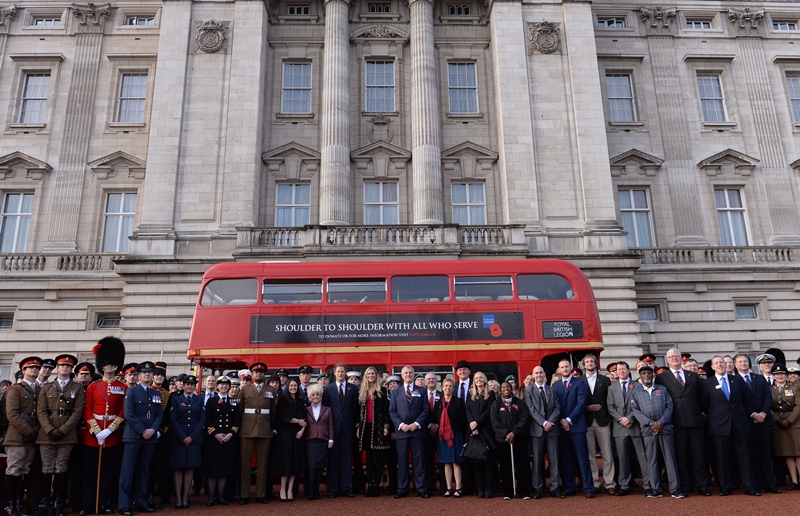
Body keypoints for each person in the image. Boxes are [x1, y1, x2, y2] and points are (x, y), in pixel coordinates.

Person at [79, 338, 126, 516]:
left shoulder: (122, 387)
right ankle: (88, 504)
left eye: (112, 362)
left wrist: (110, 429)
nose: (110, 366)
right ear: (102, 365)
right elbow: (87, 409)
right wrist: (96, 430)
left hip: (112, 436)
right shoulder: (93, 387)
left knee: (108, 472)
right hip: (93, 436)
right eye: (106, 363)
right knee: (89, 471)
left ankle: (104, 503)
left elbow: (123, 411)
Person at [35, 354, 85, 516]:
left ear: (71, 369)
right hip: (47, 434)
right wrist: (50, 430)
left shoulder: (77, 388)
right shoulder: (47, 387)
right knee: (47, 468)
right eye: (62, 365)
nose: (65, 368)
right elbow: (41, 411)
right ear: (57, 368)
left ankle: (58, 504)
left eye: (68, 366)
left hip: (67, 434)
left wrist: (63, 430)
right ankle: (43, 503)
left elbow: (77, 412)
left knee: (61, 468)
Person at [656, 347, 710, 496]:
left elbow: (702, 396)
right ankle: (685, 485)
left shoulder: (693, 375)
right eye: (671, 356)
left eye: (677, 356)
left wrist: (703, 412)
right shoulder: (662, 377)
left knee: (698, 455)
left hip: (695, 420)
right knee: (681, 456)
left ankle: (702, 485)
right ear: (667, 360)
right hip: (676, 421)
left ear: (681, 359)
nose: (674, 358)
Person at [701, 355, 755, 496]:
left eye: (722, 363)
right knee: (722, 458)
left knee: (745, 457)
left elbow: (746, 399)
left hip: (739, 424)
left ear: (726, 365)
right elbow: (705, 404)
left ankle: (749, 486)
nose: (720, 365)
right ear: (712, 367)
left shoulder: (737, 380)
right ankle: (725, 487)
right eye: (717, 363)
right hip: (719, 425)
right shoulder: (707, 383)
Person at [629, 365, 683, 499]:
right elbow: (636, 410)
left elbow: (669, 405)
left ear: (652, 375)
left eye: (649, 373)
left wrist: (661, 422)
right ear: (640, 376)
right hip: (648, 430)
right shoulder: (636, 392)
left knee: (670, 459)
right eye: (643, 373)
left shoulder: (662, 389)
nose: (646, 375)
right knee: (652, 460)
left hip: (665, 429)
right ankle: (656, 489)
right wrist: (651, 423)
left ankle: (675, 489)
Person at [118, 361, 163, 515]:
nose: (147, 375)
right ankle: (124, 504)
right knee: (128, 471)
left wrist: (153, 429)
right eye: (144, 372)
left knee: (144, 471)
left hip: (150, 437)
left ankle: (141, 502)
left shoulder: (156, 393)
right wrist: (143, 430)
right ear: (139, 375)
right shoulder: (132, 391)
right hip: (134, 436)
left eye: (150, 372)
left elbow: (159, 414)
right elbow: (129, 414)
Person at [736, 353, 780, 493]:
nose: (743, 363)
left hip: (764, 421)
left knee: (766, 454)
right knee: (751, 455)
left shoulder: (759, 378)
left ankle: (770, 483)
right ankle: (755, 484)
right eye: (740, 362)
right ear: (736, 365)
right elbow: (738, 401)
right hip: (748, 422)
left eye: (745, 361)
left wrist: (763, 413)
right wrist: (753, 414)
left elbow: (768, 397)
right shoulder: (734, 380)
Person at [4, 356, 42, 516]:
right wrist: (29, 431)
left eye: (37, 368)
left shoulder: (40, 390)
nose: (34, 370)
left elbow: (42, 414)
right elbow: (12, 414)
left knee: (25, 470)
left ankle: (19, 503)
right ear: (23, 370)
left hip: (33, 436)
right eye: (31, 367)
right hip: (17, 436)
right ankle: (9, 505)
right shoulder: (16, 389)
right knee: (14, 469)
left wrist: (36, 431)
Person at [606, 361, 650, 497]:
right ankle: (624, 485)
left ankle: (648, 484)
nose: (621, 371)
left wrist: (630, 418)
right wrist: (622, 419)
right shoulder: (611, 388)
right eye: (619, 370)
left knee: (642, 458)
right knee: (623, 459)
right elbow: (610, 407)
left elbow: (640, 404)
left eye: (623, 369)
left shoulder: (637, 386)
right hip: (620, 428)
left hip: (635, 426)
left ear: (628, 370)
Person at [551, 358, 594, 497]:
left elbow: (581, 403)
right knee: (566, 459)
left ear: (571, 368)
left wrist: (569, 420)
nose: (565, 369)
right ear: (559, 370)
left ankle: (588, 488)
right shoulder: (555, 386)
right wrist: (562, 420)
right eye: (562, 367)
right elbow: (555, 406)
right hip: (562, 428)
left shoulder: (579, 383)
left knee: (583, 458)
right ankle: (569, 487)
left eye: (567, 366)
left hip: (577, 427)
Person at [237, 362, 276, 504]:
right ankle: (244, 495)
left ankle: (261, 494)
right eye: (256, 372)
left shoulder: (271, 390)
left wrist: (266, 422)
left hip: (264, 430)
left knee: (263, 465)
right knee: (245, 464)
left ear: (264, 374)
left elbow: (273, 411)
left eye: (261, 372)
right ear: (252, 375)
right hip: (247, 430)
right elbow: (240, 409)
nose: (258, 374)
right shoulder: (245, 389)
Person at [388, 366, 430, 498]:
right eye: (405, 373)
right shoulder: (396, 392)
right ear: (402, 375)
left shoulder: (422, 391)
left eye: (410, 373)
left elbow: (425, 410)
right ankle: (402, 488)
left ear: (413, 374)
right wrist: (401, 425)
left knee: (419, 462)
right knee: (402, 462)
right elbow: (392, 411)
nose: (408, 375)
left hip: (417, 432)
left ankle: (421, 488)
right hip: (402, 433)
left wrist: (416, 424)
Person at [525, 365, 562, 499]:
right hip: (537, 430)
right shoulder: (528, 391)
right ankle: (538, 488)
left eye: (541, 372)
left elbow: (558, 408)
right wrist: (543, 423)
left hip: (552, 429)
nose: (539, 375)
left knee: (554, 460)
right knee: (537, 461)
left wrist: (550, 422)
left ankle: (555, 487)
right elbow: (531, 409)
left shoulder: (552, 390)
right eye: (536, 373)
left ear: (544, 374)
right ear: (533, 375)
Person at [322, 363, 358, 498]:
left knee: (347, 460)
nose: (340, 374)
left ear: (345, 373)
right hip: (333, 429)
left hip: (348, 429)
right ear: (334, 373)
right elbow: (325, 409)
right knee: (333, 460)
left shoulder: (352, 388)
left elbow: (355, 409)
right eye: (338, 371)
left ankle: (345, 488)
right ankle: (333, 488)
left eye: (342, 371)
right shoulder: (328, 389)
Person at [490, 381, 531, 500]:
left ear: (511, 388)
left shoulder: (519, 403)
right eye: (503, 387)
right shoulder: (496, 404)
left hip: (519, 439)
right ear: (500, 390)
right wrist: (506, 434)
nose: (506, 389)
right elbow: (495, 422)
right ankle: (508, 491)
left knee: (522, 465)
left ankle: (524, 491)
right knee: (505, 465)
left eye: (508, 387)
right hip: (503, 441)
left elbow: (524, 419)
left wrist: (514, 432)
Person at [169, 375, 204, 509]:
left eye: (192, 384)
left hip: (194, 438)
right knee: (178, 467)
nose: (189, 386)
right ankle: (178, 497)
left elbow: (202, 419)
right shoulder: (176, 400)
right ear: (183, 386)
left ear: (194, 386)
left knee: (190, 467)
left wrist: (192, 437)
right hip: (179, 439)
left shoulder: (199, 400)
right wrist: (183, 436)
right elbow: (173, 419)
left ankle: (185, 497)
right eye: (187, 384)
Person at [203, 375, 240, 506]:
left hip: (228, 439)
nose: (224, 387)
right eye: (221, 384)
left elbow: (237, 421)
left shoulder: (233, 401)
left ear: (229, 387)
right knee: (213, 470)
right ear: (217, 386)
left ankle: (221, 496)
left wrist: (230, 434)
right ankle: (211, 497)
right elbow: (207, 420)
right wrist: (215, 434)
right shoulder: (211, 401)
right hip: (214, 439)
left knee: (225, 469)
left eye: (226, 385)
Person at [582, 354, 615, 495]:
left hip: (603, 420)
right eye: (587, 362)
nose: (589, 363)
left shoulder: (605, 380)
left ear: (596, 364)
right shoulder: (579, 381)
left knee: (607, 453)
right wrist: (586, 408)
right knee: (590, 455)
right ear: (584, 365)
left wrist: (609, 417)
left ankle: (610, 483)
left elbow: (610, 400)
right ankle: (594, 483)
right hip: (587, 421)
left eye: (592, 361)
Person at [356, 366, 391, 497]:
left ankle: (377, 484)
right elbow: (359, 412)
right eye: (368, 374)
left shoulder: (381, 390)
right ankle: (369, 483)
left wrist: (386, 426)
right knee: (369, 457)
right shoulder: (362, 392)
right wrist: (358, 426)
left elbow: (386, 410)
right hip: (366, 427)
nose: (371, 376)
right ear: (366, 376)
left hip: (379, 427)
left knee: (380, 456)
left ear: (376, 376)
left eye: (373, 374)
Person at [431, 378, 466, 497]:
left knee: (456, 462)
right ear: (442, 388)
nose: (448, 388)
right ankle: (448, 488)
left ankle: (459, 487)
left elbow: (463, 419)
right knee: (446, 462)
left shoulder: (459, 402)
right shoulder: (438, 403)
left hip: (456, 435)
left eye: (450, 386)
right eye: (446, 386)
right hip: (443, 437)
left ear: (453, 388)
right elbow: (435, 418)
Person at [274, 378, 307, 501]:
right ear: (287, 387)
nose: (293, 388)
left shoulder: (300, 401)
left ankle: (290, 490)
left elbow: (305, 419)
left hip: (298, 435)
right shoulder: (283, 400)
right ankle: (282, 489)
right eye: (291, 386)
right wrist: (298, 421)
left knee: (295, 463)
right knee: (286, 463)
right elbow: (283, 417)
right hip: (286, 435)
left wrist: (302, 430)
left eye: (295, 386)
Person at [465, 371, 496, 498]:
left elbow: (489, 411)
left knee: (488, 462)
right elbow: (467, 410)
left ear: (484, 379)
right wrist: (472, 424)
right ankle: (480, 489)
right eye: (476, 378)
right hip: (473, 431)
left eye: (480, 378)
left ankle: (489, 489)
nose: (478, 380)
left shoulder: (491, 394)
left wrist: (477, 422)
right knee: (476, 461)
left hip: (487, 431)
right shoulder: (470, 394)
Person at [771, 363, 800, 490]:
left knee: (798, 453)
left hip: (794, 424)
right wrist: (778, 420)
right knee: (787, 453)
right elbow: (768, 407)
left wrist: (790, 420)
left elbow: (799, 406)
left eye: (782, 374)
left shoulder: (794, 387)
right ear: (773, 376)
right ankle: (794, 481)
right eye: (777, 374)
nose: (780, 376)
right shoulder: (770, 389)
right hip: (779, 425)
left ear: (786, 375)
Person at [304, 385, 333, 501]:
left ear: (321, 396)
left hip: (323, 440)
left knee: (320, 467)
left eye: (318, 395)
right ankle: (311, 492)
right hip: (310, 440)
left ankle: (317, 491)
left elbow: (330, 426)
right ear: (310, 397)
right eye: (313, 395)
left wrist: (331, 440)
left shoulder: (327, 409)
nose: (315, 397)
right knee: (312, 467)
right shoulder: (306, 410)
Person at [422, 372, 442, 495]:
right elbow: (418, 412)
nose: (431, 381)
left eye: (433, 379)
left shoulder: (442, 395)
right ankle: (429, 486)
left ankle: (444, 487)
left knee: (442, 461)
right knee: (428, 461)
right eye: (428, 379)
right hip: (425, 433)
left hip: (440, 433)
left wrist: (438, 426)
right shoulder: (421, 396)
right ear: (425, 382)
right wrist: (429, 425)